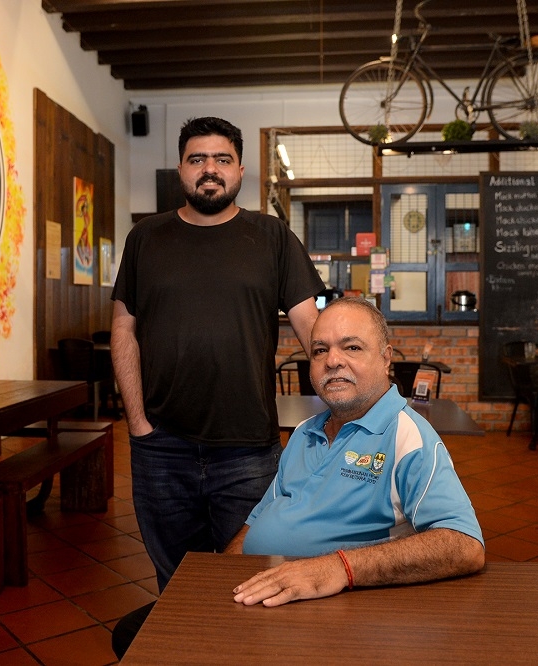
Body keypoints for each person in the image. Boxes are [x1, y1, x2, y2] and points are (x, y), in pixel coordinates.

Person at [110, 116, 323, 595]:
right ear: (181, 170)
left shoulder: (272, 238)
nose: (210, 169)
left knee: (248, 580)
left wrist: (353, 397)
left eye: (222, 159)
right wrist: (138, 422)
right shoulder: (145, 238)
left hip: (247, 448)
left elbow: (313, 328)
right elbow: (124, 328)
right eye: (197, 159)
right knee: (174, 580)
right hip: (161, 446)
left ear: (240, 170)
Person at [225, 297, 484, 607]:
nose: (333, 360)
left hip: (332, 611)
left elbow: (464, 545)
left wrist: (340, 567)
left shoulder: (406, 436)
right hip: (261, 592)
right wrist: (224, 574)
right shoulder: (303, 432)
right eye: (320, 350)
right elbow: (257, 520)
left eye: (352, 347)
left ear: (386, 358)